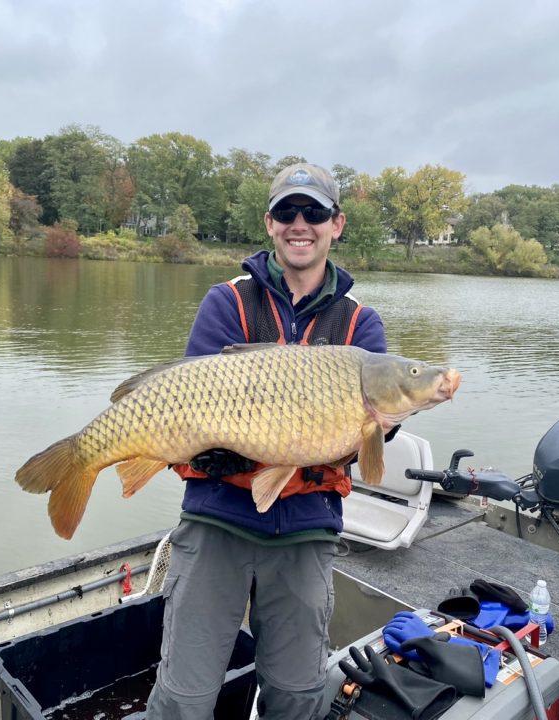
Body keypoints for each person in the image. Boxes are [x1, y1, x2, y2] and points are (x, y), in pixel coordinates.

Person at [144, 162, 387, 720]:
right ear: (270, 223)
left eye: (315, 213)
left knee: (298, 697)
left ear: (337, 224)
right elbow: (184, 399)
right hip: (217, 518)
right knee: (183, 699)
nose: (300, 224)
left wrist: (383, 425)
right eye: (287, 212)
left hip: (304, 530)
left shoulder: (361, 328)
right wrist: (206, 448)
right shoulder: (226, 301)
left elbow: (361, 445)